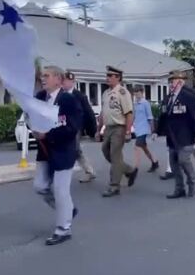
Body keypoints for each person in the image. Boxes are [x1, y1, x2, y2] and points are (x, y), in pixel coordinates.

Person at [33, 66, 81, 246]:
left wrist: (48, 135)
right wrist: (34, 130)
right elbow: (32, 118)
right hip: (44, 151)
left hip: (63, 152)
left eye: (47, 76)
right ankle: (68, 210)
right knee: (39, 186)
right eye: (42, 76)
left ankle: (63, 229)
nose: (43, 79)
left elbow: (72, 127)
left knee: (61, 191)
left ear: (58, 80)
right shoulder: (39, 98)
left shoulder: (68, 100)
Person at [155, 70, 195, 199]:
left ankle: (192, 182)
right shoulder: (168, 97)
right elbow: (163, 116)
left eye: (173, 81)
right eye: (170, 81)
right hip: (172, 136)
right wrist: (156, 131)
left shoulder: (188, 96)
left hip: (186, 135)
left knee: (183, 160)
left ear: (181, 82)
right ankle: (179, 189)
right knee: (174, 163)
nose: (171, 84)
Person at [96, 66, 138, 197]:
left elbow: (129, 114)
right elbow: (103, 114)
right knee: (106, 152)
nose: (107, 78)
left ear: (118, 77)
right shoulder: (105, 93)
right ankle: (129, 170)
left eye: (110, 75)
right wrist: (98, 130)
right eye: (107, 75)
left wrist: (128, 132)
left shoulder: (123, 92)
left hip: (119, 128)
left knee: (115, 156)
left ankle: (114, 186)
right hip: (108, 128)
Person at [62, 71, 97, 183]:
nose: (65, 83)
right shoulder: (61, 95)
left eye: (68, 81)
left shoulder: (79, 96)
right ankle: (89, 171)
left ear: (72, 82)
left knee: (74, 149)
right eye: (64, 81)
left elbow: (88, 112)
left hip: (76, 128)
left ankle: (87, 171)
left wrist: (93, 129)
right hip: (63, 127)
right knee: (75, 151)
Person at [132, 85, 159, 173]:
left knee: (137, 147)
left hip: (144, 129)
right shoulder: (135, 104)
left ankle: (135, 168)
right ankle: (154, 162)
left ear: (142, 93)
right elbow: (133, 116)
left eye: (138, 93)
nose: (136, 95)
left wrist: (153, 131)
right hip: (138, 129)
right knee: (144, 148)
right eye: (135, 93)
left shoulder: (145, 103)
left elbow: (150, 117)